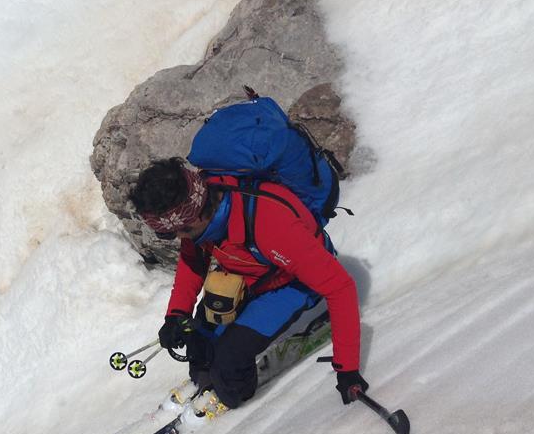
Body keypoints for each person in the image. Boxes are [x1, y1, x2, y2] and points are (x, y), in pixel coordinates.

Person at [129, 157, 367, 412]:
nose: (177, 238)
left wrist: (347, 369)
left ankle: (234, 397)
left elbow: (340, 287)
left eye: (175, 232)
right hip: (247, 273)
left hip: (292, 282)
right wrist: (176, 315)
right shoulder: (199, 207)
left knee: (228, 361)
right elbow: (192, 262)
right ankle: (207, 380)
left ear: (194, 217)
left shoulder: (271, 223)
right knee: (198, 341)